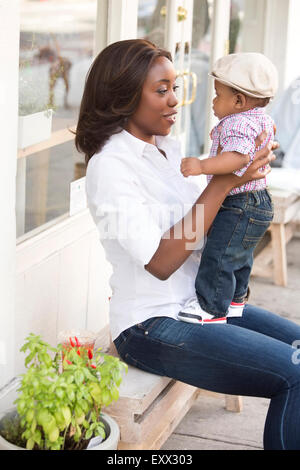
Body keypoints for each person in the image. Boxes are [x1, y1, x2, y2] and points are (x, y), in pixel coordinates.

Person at [76, 39, 300, 450]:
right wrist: (226, 180)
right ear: (123, 96)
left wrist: (245, 180)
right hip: (152, 324)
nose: (174, 101)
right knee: (294, 375)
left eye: (175, 88)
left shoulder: (167, 151)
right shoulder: (110, 167)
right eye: (161, 90)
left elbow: (208, 224)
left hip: (200, 306)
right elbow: (161, 261)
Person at [179, 53, 278, 321]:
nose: (213, 101)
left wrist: (201, 166)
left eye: (217, 94)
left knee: (219, 254)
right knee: (240, 255)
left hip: (240, 202)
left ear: (238, 101)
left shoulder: (237, 122)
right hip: (259, 200)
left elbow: (239, 156)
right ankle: (236, 301)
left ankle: (211, 308)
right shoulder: (261, 118)